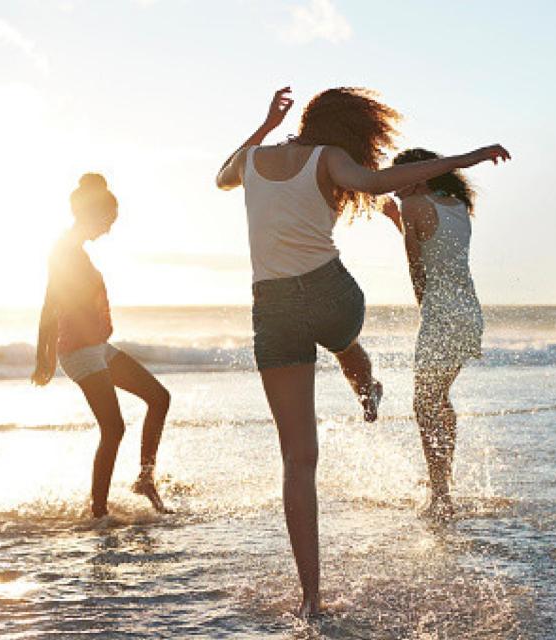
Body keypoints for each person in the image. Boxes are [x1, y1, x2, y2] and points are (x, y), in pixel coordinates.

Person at [216, 86, 510, 616]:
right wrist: (468, 158)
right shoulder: (331, 159)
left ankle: (310, 598)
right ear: (353, 130)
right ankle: (366, 383)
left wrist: (263, 125)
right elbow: (378, 184)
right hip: (333, 297)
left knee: (298, 461)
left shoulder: (253, 159)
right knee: (343, 340)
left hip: (274, 310)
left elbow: (222, 178)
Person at [31, 173, 171, 519]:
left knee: (159, 397)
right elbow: (50, 304)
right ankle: (98, 512)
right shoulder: (64, 250)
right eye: (108, 221)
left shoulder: (75, 250)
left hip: (96, 346)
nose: (109, 229)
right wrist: (43, 356)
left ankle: (144, 479)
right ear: (91, 214)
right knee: (113, 427)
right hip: (78, 350)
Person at [382, 148, 486, 521]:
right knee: (438, 398)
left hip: (442, 315)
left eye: (397, 182)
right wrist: (397, 218)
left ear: (420, 177)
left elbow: (417, 266)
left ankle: (440, 495)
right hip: (469, 314)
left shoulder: (414, 207)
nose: (392, 190)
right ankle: (444, 483)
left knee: (424, 404)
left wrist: (425, 312)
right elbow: (435, 246)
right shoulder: (457, 205)